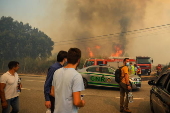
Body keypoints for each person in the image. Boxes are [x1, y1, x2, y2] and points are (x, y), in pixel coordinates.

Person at [50, 48, 85, 113]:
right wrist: (82, 102)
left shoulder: (57, 72)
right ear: (78, 60)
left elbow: (52, 93)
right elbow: (77, 102)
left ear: (67, 59)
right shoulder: (76, 76)